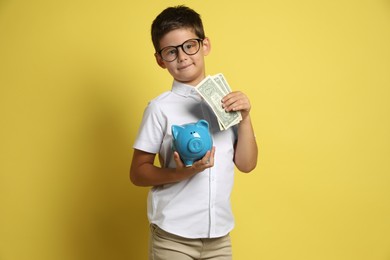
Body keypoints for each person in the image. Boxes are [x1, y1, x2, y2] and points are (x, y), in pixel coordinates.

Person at [130, 5, 258, 260]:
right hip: (172, 237)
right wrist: (180, 173)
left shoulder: (227, 103)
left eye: (190, 45)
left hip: (219, 237)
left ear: (205, 45)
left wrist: (245, 118)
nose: (182, 57)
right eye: (171, 52)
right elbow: (137, 172)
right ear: (160, 59)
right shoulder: (160, 108)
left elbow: (247, 164)